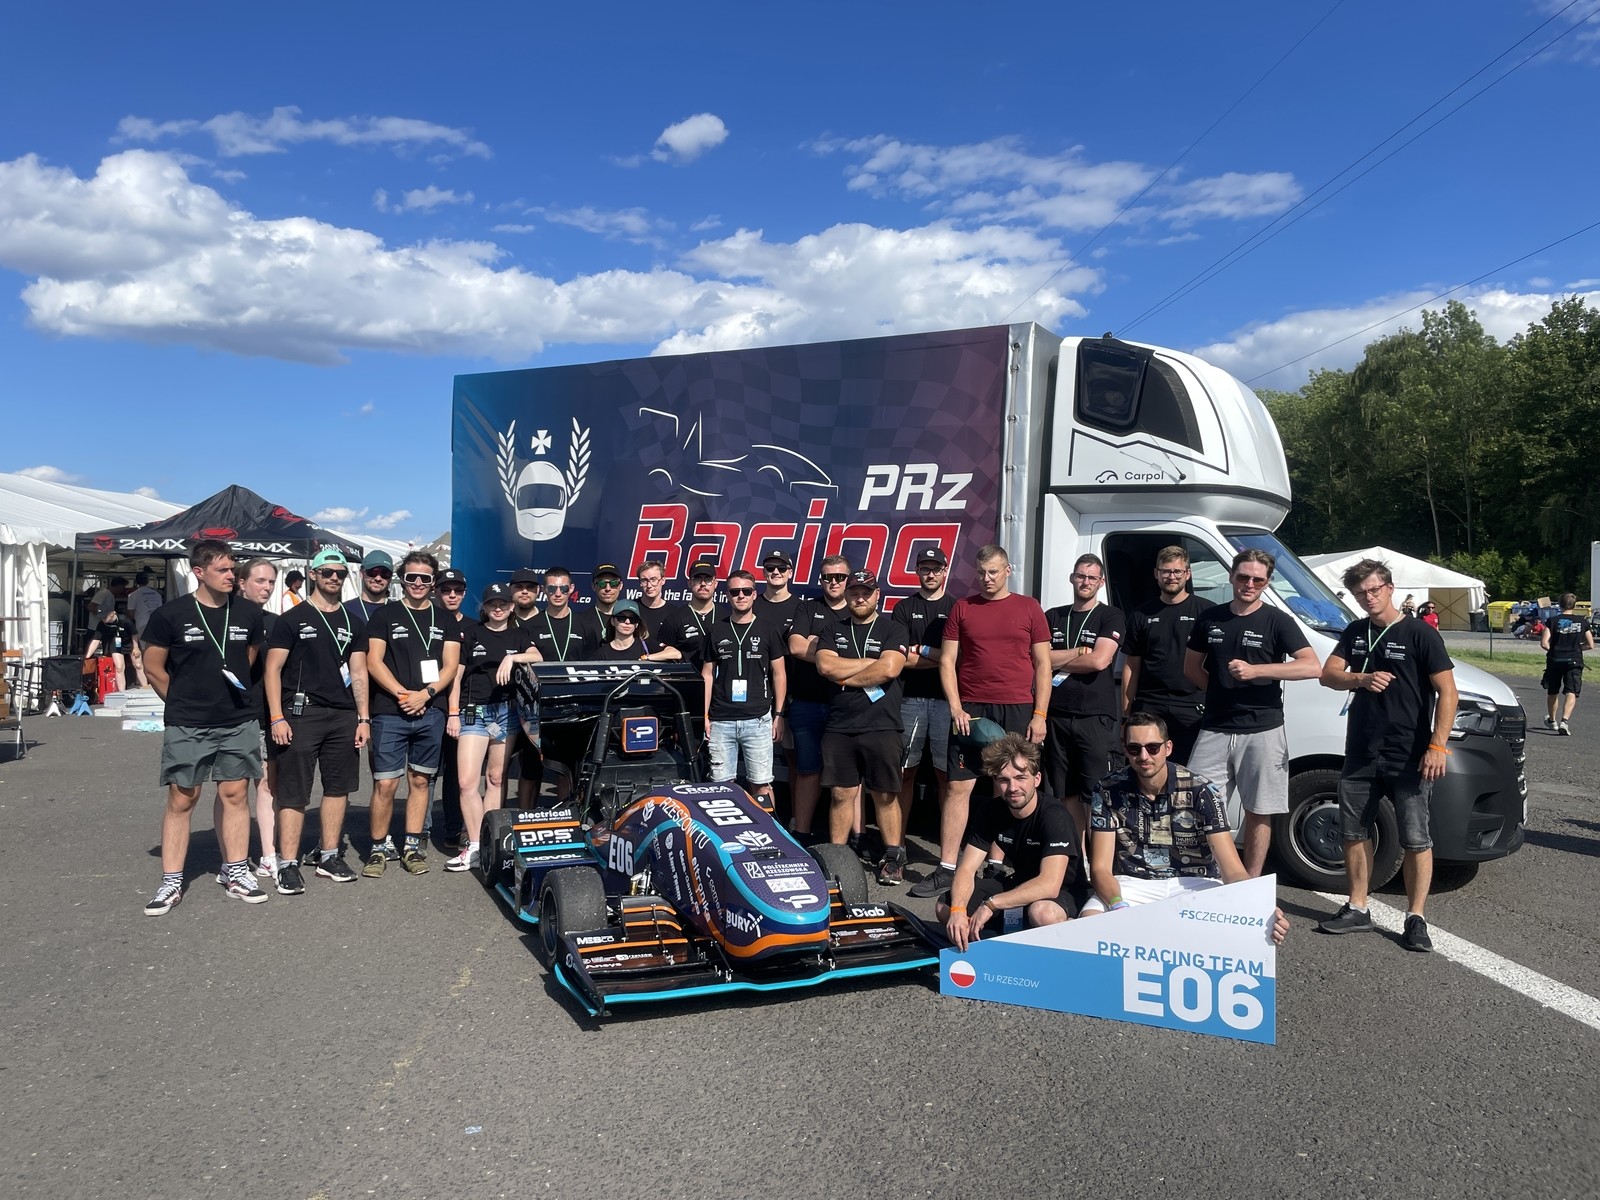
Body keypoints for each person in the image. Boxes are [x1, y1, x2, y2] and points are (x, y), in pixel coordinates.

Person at [1316, 558, 1458, 952]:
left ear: (1390, 588)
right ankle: (1357, 907)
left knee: (1416, 838)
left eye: (1375, 589)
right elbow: (1328, 675)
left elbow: (1448, 692)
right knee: (1353, 832)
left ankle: (1416, 918)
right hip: (1361, 750)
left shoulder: (1419, 632)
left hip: (1409, 752)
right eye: (1361, 592)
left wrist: (1437, 746)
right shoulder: (1355, 631)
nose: (1369, 597)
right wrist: (1361, 678)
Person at [910, 544, 1051, 899]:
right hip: (971, 710)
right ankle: (946, 868)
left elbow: (1043, 664)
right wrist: (956, 707)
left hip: (1017, 707)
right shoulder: (963, 607)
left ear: (1008, 570)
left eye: (993, 572)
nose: (986, 579)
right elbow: (947, 661)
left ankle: (996, 865)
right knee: (958, 787)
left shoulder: (1029, 607)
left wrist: (1039, 714)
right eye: (981, 573)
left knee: (1007, 785)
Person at [138, 540, 270, 914]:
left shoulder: (248, 613)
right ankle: (171, 880)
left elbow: (247, 659)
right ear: (199, 572)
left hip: (237, 719)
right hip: (189, 723)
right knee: (183, 797)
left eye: (233, 568)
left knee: (235, 794)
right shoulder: (171, 615)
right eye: (223, 570)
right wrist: (182, 702)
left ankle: (236, 872)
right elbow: (153, 667)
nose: (232, 575)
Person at [1082, 712, 1289, 944]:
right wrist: (1117, 904)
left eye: (1153, 748)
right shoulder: (1107, 789)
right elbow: (1100, 868)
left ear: (1168, 747)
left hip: (1196, 883)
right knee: (1088, 922)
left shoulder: (1202, 790)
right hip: (1133, 883)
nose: (1144, 756)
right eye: (1134, 748)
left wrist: (1260, 906)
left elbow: (1232, 870)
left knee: (1249, 928)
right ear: (1125, 750)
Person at [1183, 548, 1320, 877]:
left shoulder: (1277, 620)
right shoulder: (1210, 618)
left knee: (1259, 810)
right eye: (1243, 577)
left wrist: (1257, 671)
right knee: (1196, 805)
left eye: (1258, 580)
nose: (1249, 584)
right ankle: (1206, 875)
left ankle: (1251, 882)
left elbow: (1311, 666)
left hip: (1263, 729)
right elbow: (1191, 668)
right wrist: (1220, 692)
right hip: (1215, 727)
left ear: (1267, 583)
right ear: (1231, 576)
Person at [262, 548, 370, 892]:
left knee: (338, 788)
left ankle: (329, 855)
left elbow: (359, 672)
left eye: (340, 573)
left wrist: (364, 718)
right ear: (313, 574)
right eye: (327, 572)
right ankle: (288, 863)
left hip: (343, 715)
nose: (334, 577)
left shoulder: (354, 622)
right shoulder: (291, 619)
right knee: (294, 792)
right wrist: (276, 717)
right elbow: (272, 669)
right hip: (301, 713)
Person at [935, 733, 1085, 951]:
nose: (1013, 787)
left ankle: (1069, 935)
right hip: (1020, 883)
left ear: (1037, 779)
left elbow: (1050, 884)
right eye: (1004, 780)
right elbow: (966, 869)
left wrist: (991, 904)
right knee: (945, 907)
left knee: (1043, 913)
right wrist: (958, 911)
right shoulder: (990, 810)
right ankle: (991, 943)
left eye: (1020, 778)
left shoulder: (1054, 815)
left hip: (1063, 892)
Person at [364, 551, 460, 877]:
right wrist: (403, 694)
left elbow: (450, 666)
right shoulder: (385, 614)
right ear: (402, 580)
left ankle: (411, 846)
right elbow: (373, 661)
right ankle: (378, 848)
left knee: (420, 780)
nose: (418, 583)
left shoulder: (445, 619)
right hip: (390, 710)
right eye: (411, 577)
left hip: (430, 710)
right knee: (386, 784)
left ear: (433, 582)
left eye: (424, 578)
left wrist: (426, 694)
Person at [815, 570, 910, 884]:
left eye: (866, 593)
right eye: (854, 593)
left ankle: (893, 858)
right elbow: (825, 665)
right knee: (841, 794)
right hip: (840, 726)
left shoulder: (893, 629)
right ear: (846, 595)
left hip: (883, 725)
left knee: (885, 795)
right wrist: (871, 664)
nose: (859, 598)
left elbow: (891, 669)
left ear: (877, 595)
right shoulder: (832, 629)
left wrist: (844, 678)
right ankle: (837, 860)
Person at [446, 582, 542, 872]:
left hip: (506, 712)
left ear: (511, 607)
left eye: (503, 604)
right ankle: (475, 843)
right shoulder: (472, 633)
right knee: (466, 781)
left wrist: (512, 657)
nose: (497, 608)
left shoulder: (520, 634)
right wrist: (453, 713)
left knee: (496, 778)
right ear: (484, 608)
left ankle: (491, 842)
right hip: (474, 712)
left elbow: (537, 657)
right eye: (492, 604)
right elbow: (456, 677)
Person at [1043, 553, 1124, 851]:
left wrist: (1054, 659)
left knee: (1096, 794)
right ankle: (1077, 861)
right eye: (1080, 576)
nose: (1085, 582)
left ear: (1101, 582)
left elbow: (1100, 661)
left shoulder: (1111, 615)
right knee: (1066, 794)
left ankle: (1100, 862)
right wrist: (1078, 652)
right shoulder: (1053, 615)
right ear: (1072, 578)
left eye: (1091, 577)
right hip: (1056, 714)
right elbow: (1036, 658)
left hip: (1094, 717)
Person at [891, 546, 956, 863]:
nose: (930, 574)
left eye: (936, 569)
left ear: (945, 571)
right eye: (925, 568)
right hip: (910, 699)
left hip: (947, 701)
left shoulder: (956, 607)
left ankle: (948, 856)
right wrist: (943, 657)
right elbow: (899, 658)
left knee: (947, 777)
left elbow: (958, 657)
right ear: (917, 571)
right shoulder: (904, 607)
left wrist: (923, 650)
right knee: (905, 772)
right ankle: (897, 847)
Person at [703, 570, 786, 807]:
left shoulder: (768, 629)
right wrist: (705, 716)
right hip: (721, 720)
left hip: (757, 719)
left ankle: (769, 828)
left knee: (761, 785)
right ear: (727, 595)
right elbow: (707, 675)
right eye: (735, 592)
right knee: (721, 786)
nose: (741, 596)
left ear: (754, 594)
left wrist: (779, 715)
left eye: (746, 591)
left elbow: (779, 674)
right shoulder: (716, 630)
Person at [1121, 546, 1209, 763]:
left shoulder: (1206, 613)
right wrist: (1126, 713)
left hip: (1192, 705)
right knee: (1146, 766)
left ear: (1188, 574)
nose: (1172, 577)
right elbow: (1131, 666)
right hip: (1150, 704)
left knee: (1190, 769)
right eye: (1166, 571)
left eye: (1177, 571)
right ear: (1156, 573)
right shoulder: (1140, 614)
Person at [786, 555, 851, 842]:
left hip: (847, 704)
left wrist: (817, 645)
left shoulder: (857, 609)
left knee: (849, 776)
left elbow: (865, 653)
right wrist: (839, 658)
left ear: (847, 579)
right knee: (807, 770)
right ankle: (801, 833)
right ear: (820, 579)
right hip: (807, 703)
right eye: (828, 577)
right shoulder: (808, 607)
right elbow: (796, 647)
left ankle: (854, 839)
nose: (833, 582)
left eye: (840, 577)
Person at [237, 558, 282, 878]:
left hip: (267, 715)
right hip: (234, 716)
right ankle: (234, 860)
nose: (266, 588)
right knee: (234, 789)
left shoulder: (277, 623)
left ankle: (269, 854)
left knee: (267, 786)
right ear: (241, 583)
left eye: (271, 582)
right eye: (260, 581)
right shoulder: (227, 619)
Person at [433, 568, 473, 849]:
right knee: (423, 774)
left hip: (461, 709)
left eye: (457, 590)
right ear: (437, 592)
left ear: (464, 593)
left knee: (456, 773)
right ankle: (419, 832)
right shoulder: (428, 621)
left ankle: (454, 829)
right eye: (446, 590)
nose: (451, 595)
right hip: (430, 704)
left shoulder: (474, 626)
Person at [1540, 593, 1593, 735]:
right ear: (1574, 605)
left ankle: (1552, 720)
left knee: (1553, 691)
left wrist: (1555, 650)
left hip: (1555, 660)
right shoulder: (1582, 622)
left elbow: (1544, 643)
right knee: (1571, 691)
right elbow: (1590, 644)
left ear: (1559, 604)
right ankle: (1564, 720)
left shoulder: (1552, 621)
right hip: (1574, 660)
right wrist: (1577, 648)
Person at [82, 607, 137, 694]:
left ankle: (145, 688)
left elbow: (134, 634)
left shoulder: (124, 620)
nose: (103, 619)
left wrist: (136, 647)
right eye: (101, 617)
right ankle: (122, 692)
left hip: (129, 641)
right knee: (119, 667)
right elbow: (96, 640)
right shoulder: (102, 624)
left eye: (104, 617)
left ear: (112, 613)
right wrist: (87, 656)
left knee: (138, 665)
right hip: (115, 643)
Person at [127, 570, 164, 687]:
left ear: (136, 581)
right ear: (148, 581)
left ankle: (143, 679)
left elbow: (131, 612)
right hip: (157, 624)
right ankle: (153, 678)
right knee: (155, 649)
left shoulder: (133, 595)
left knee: (143, 651)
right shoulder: (157, 594)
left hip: (141, 623)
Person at [590, 598, 656, 660]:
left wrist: (647, 657)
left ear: (637, 624)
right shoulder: (602, 654)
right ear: (612, 621)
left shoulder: (646, 645)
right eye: (621, 618)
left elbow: (663, 654)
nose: (627, 622)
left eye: (633, 619)